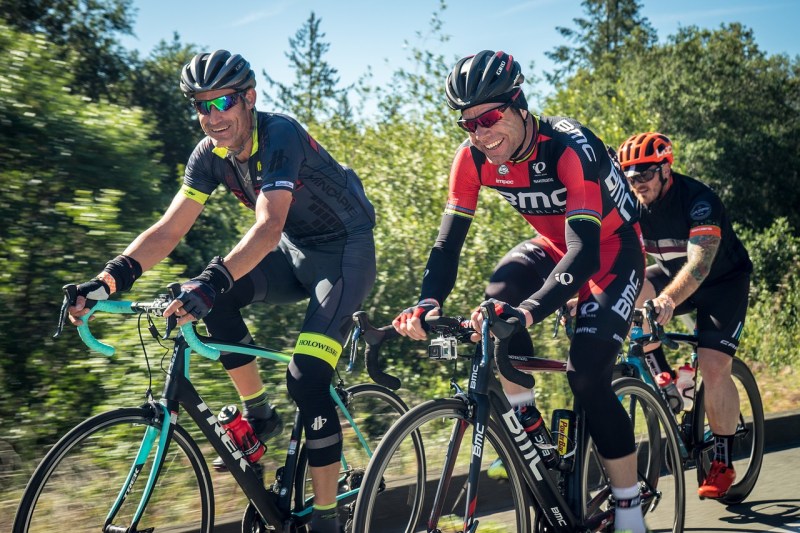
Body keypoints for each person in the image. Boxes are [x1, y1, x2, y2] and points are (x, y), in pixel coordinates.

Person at [68, 49, 376, 533]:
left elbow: (269, 225)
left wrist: (212, 281)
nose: (212, 117)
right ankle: (260, 415)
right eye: (201, 106)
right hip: (296, 254)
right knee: (205, 290)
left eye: (223, 102)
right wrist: (108, 280)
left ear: (249, 98)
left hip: (343, 256)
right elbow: (169, 230)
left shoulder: (279, 135)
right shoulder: (209, 155)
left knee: (306, 378)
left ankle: (326, 517)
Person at [393, 50, 649, 533]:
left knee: (587, 376)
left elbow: (586, 251)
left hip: (610, 250)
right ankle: (529, 428)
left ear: (519, 104)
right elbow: (447, 245)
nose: (480, 134)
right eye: (468, 124)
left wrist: (529, 313)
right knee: (495, 301)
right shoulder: (472, 159)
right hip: (552, 245)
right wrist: (427, 302)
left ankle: (630, 509)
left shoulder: (570, 148)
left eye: (489, 118)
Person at [617, 132, 752, 499]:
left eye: (644, 173)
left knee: (712, 365)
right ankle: (662, 375)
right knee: (628, 289)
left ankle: (723, 461)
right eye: (629, 176)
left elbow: (699, 263)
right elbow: (611, 257)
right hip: (670, 275)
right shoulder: (629, 204)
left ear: (665, 168)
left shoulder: (699, 201)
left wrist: (667, 301)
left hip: (722, 282)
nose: (637, 183)